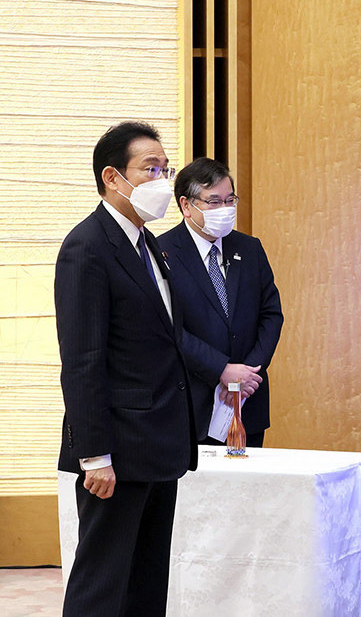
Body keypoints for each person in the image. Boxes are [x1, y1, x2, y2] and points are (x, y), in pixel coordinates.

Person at [56, 121, 197, 616]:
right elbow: (82, 360)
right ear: (113, 177)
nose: (163, 180)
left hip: (158, 443)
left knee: (146, 581)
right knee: (102, 584)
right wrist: (94, 455)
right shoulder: (87, 246)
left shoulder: (149, 244)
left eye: (166, 169)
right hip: (116, 449)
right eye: (151, 169)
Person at [158, 157, 283, 447]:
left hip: (246, 400)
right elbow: (168, 328)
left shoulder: (249, 248)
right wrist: (222, 370)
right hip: (191, 405)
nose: (225, 209)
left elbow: (271, 315)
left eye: (230, 200)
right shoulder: (162, 252)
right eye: (214, 202)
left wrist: (246, 375)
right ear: (186, 205)